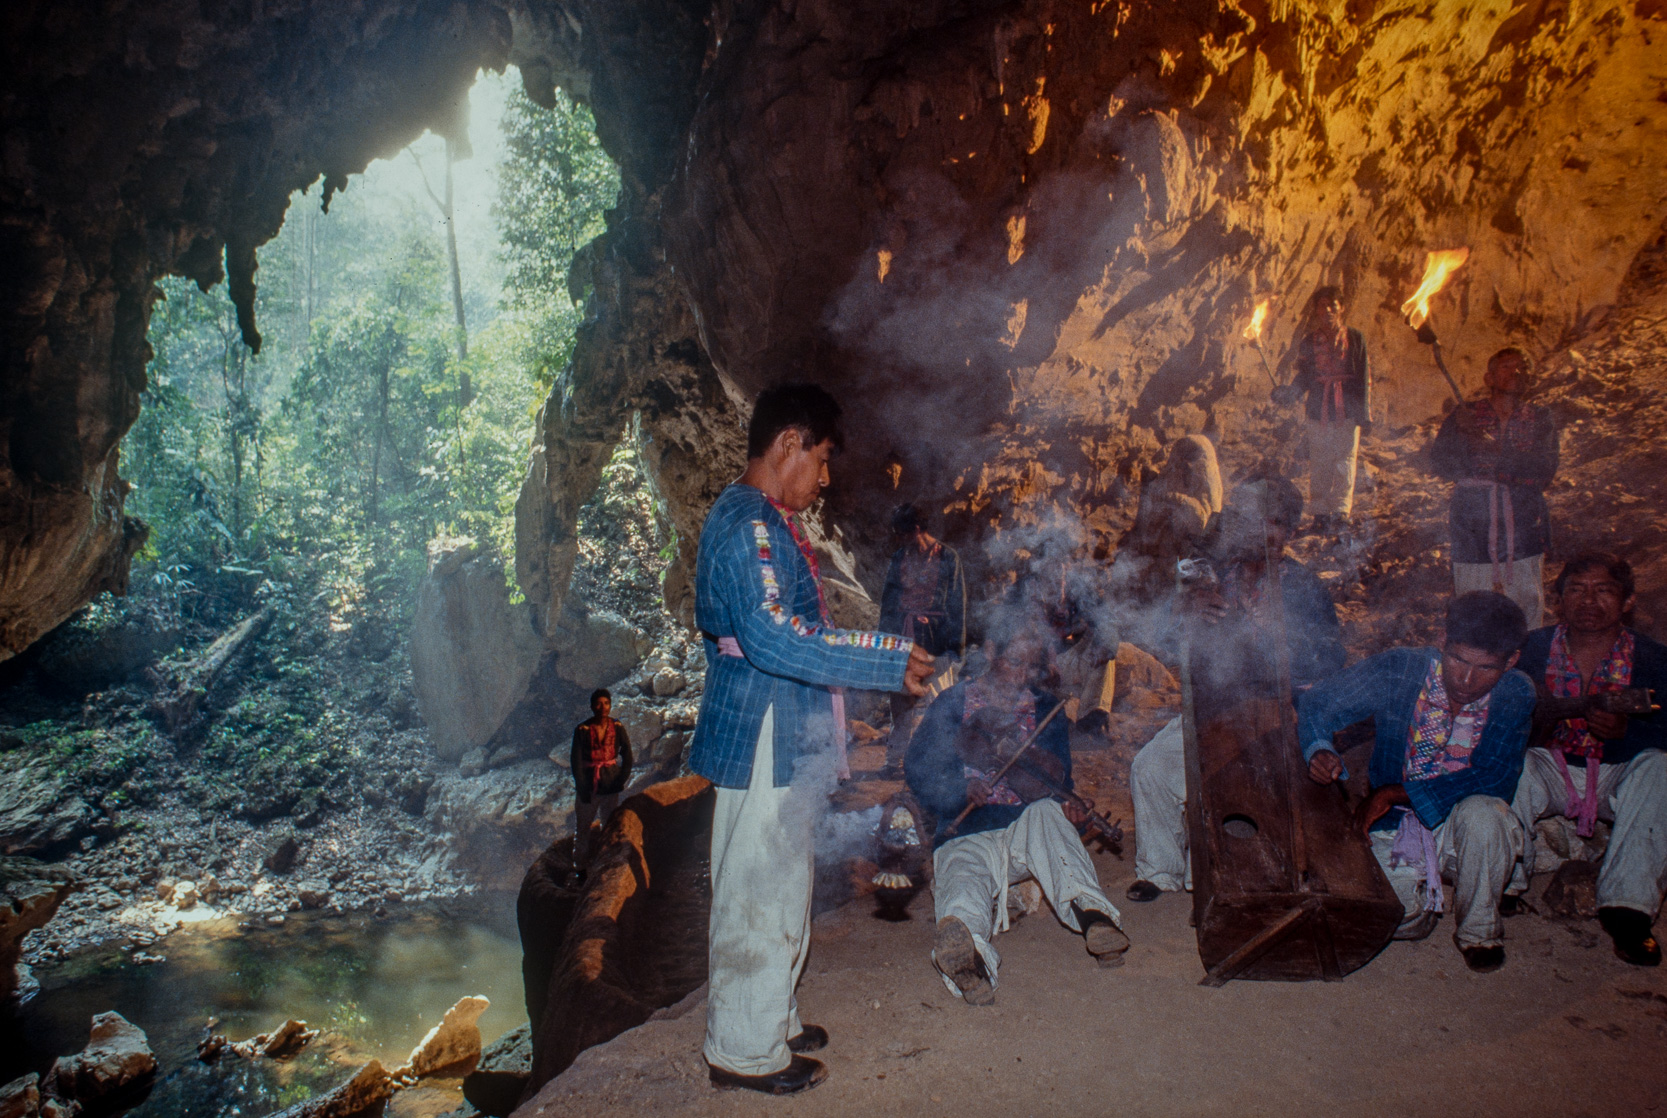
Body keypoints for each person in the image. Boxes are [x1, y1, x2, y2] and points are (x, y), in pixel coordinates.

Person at [689, 383, 934, 1095]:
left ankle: (773, 1017)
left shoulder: (765, 522)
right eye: (821, 459)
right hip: (759, 724)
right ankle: (740, 1049)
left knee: (784, 876)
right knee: (758, 885)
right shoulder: (747, 526)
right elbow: (771, 634)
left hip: (781, 722)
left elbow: (792, 634)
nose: (824, 478)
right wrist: (884, 659)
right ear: (788, 443)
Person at [1126, 475, 1346, 902]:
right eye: (1248, 519)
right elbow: (1160, 641)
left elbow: (1332, 663)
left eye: (1275, 523)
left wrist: (1283, 639)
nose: (1260, 532)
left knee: (1237, 790)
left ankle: (1219, 872)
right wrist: (1178, 610)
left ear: (1291, 532)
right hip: (1214, 710)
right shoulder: (1208, 576)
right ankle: (1159, 870)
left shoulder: (1303, 587)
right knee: (1151, 767)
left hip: (1278, 718)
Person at [1301, 592, 1534, 972]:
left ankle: (1479, 932)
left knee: (1487, 815)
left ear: (1511, 661)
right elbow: (1319, 702)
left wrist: (1398, 791)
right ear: (1442, 640)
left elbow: (1496, 777)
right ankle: (1420, 905)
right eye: (1457, 659)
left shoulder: (1515, 692)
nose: (1467, 679)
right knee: (1388, 917)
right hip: (1395, 828)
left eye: (1487, 668)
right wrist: (1319, 748)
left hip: (1462, 830)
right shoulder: (1401, 669)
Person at [906, 622, 1129, 1006]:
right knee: (961, 882)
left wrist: (1070, 810)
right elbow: (918, 768)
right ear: (991, 651)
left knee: (1047, 813)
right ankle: (971, 960)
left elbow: (1059, 779)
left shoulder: (1047, 710)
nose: (1023, 675)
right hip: (967, 831)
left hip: (1025, 834)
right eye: (1014, 662)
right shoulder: (952, 703)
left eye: (1031, 667)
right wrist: (959, 792)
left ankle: (1094, 917)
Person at [1505, 552, 1667, 966]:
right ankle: (1505, 882)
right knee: (1513, 764)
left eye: (1603, 591)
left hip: (1618, 773)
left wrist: (1630, 732)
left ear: (1628, 601)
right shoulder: (1531, 649)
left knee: (1659, 769)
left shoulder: (1654, 659)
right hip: (1551, 765)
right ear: (1559, 600)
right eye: (1576, 590)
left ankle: (1628, 910)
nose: (1588, 601)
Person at [1429, 347, 1558, 627]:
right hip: (1473, 524)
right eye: (1507, 367)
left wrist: (1498, 452)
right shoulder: (1466, 416)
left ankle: (1524, 669)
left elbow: (1545, 468)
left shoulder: (1541, 418)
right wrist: (1465, 441)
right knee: (1473, 607)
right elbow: (1439, 462)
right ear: (1488, 378)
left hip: (1523, 524)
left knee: (1525, 605)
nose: (1516, 372)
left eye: (1522, 367)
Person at [1273, 286, 1370, 533]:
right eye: (1321, 306)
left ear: (1341, 308)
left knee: (1346, 458)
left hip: (1347, 407)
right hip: (1318, 408)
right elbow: (1304, 376)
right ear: (1316, 310)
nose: (1327, 310)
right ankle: (1320, 513)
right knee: (1320, 459)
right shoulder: (1309, 341)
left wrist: (1364, 412)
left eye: (1332, 305)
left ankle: (1341, 512)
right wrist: (1291, 393)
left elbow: (1363, 377)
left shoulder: (1356, 338)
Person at [878, 504, 967, 763]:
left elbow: (957, 603)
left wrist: (955, 649)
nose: (900, 540)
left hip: (935, 639)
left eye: (903, 533)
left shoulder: (948, 557)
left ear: (916, 530)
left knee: (941, 701)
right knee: (900, 700)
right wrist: (884, 643)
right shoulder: (899, 558)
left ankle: (946, 760)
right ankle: (894, 759)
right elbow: (888, 602)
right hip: (904, 637)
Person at [570, 688, 633, 874]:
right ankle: (580, 868)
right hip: (589, 786)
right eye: (598, 703)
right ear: (591, 706)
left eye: (606, 703)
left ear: (610, 705)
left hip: (610, 785)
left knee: (609, 826)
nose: (602, 707)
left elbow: (627, 754)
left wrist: (621, 778)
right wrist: (582, 787)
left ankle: (606, 865)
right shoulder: (582, 730)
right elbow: (576, 762)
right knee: (582, 828)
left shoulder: (617, 727)